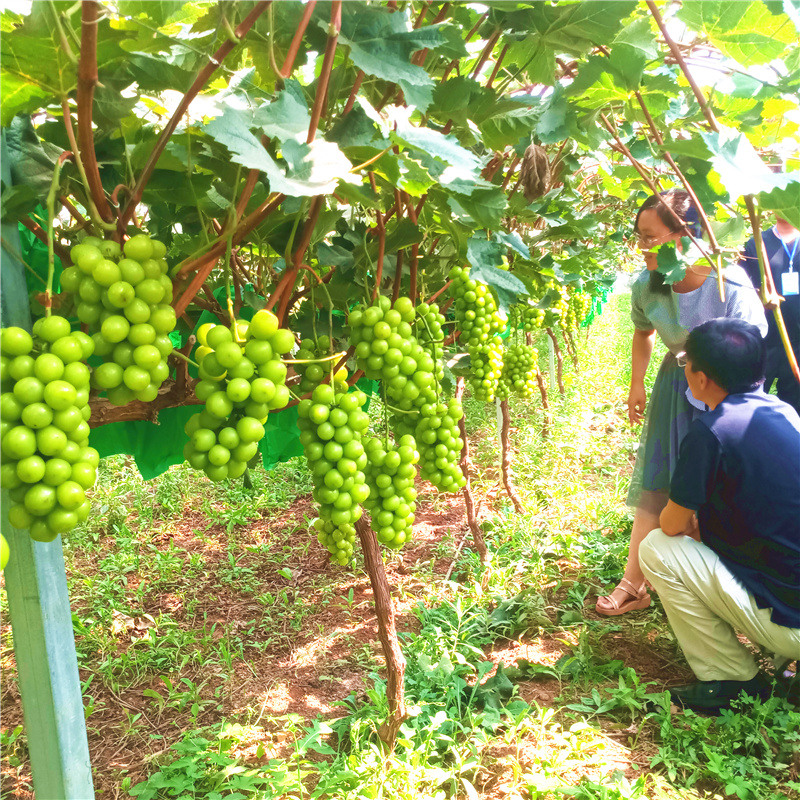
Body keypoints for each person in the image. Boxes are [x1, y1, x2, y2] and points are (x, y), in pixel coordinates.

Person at [596, 189, 768, 615]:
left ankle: (728, 590)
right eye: (638, 236)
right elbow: (642, 333)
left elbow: (749, 354)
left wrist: (721, 407)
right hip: (677, 384)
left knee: (719, 489)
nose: (642, 247)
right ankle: (633, 583)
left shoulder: (729, 286)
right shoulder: (647, 284)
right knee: (658, 481)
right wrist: (637, 384)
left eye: (651, 237)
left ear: (686, 234)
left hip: (728, 392)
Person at [639, 318, 800, 712]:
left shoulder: (710, 432)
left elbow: (672, 524)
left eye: (686, 364)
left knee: (657, 548)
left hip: (792, 622)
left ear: (702, 379)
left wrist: (695, 526)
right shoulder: (786, 414)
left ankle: (730, 679)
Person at [739, 215, 800, 414]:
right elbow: (743, 284)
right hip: (765, 336)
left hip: (798, 339)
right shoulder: (757, 242)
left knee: (795, 401)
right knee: (752, 395)